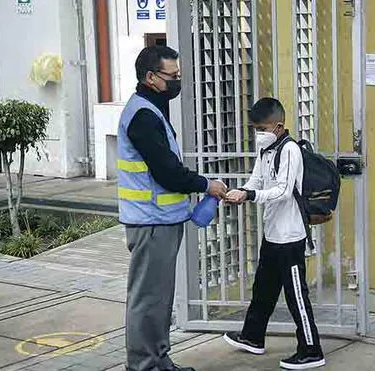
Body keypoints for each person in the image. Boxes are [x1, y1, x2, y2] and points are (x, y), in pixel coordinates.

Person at [118, 45, 227, 371]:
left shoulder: (152, 108)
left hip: (160, 220)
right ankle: (144, 366)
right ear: (151, 77)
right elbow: (167, 172)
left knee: (159, 299)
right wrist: (206, 185)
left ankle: (158, 360)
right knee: (148, 300)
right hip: (150, 222)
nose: (177, 82)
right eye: (172, 77)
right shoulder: (143, 116)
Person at [222, 98, 326, 370]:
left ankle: (312, 349)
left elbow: (282, 190)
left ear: (278, 126)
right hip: (272, 233)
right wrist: (240, 192)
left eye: (262, 128)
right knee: (264, 289)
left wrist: (250, 195)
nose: (258, 134)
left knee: (296, 295)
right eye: (255, 128)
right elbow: (256, 180)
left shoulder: (290, 150)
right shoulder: (266, 149)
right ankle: (253, 337)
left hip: (290, 237)